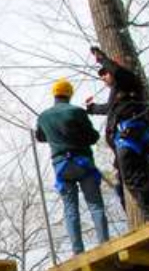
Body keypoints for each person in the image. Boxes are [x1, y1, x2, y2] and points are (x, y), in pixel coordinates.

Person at [85, 46, 149, 228]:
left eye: (105, 73)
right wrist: (92, 109)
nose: (104, 77)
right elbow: (109, 108)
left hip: (130, 137)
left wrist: (102, 58)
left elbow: (117, 72)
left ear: (114, 69)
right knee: (137, 182)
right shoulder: (121, 92)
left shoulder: (127, 79)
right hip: (128, 139)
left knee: (135, 178)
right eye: (101, 75)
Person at [35, 78, 109, 254]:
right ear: (69, 94)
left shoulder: (43, 117)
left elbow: (40, 137)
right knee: (95, 205)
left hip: (62, 166)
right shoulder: (77, 112)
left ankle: (77, 251)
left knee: (70, 209)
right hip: (82, 162)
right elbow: (93, 137)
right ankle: (105, 244)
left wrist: (55, 135)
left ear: (54, 94)